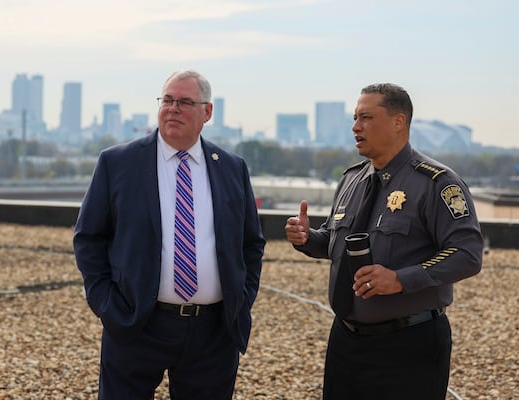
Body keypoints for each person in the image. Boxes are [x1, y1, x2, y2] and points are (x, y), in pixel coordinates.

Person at [73, 69, 265, 400]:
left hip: (213, 332)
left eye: (185, 102)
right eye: (168, 100)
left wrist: (241, 300)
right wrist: (107, 304)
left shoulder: (231, 167)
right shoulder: (118, 163)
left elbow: (250, 244)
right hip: (136, 324)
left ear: (207, 112)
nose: (173, 109)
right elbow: (88, 238)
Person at [284, 83, 483, 400]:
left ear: (398, 122)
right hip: (346, 341)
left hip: (410, 343)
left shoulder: (436, 183)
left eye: (366, 117)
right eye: (354, 118)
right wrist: (308, 239)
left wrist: (400, 280)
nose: (355, 127)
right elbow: (337, 243)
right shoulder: (352, 179)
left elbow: (468, 254)